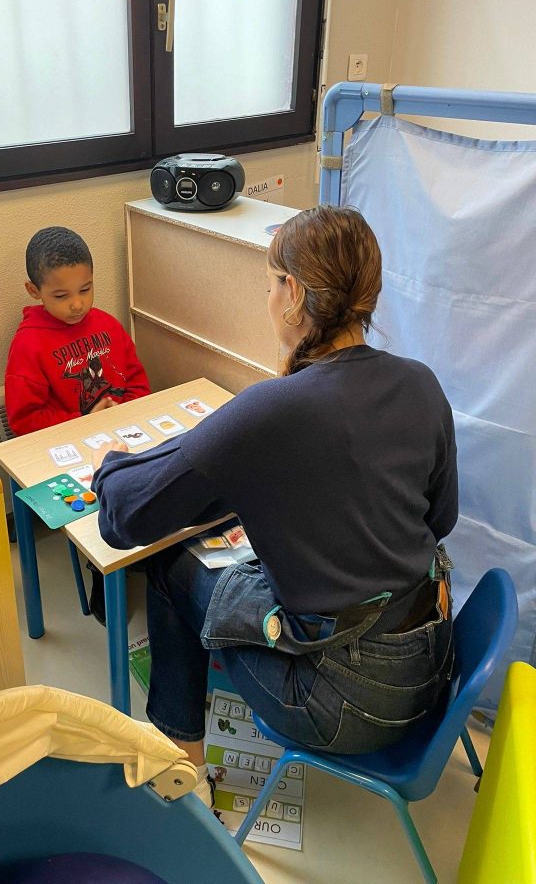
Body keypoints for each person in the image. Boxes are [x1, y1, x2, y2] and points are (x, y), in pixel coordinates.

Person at [92, 206, 457, 809]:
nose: (267, 300)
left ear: (292, 292)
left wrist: (110, 461)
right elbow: (438, 520)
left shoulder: (271, 410)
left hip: (343, 703)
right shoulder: (420, 382)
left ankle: (178, 777)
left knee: (170, 567)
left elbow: (126, 517)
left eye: (268, 286)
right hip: (431, 667)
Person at [5, 225, 151, 621]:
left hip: (123, 437)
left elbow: (138, 382)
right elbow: (24, 420)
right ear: (34, 291)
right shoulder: (29, 344)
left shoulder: (107, 324)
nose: (77, 304)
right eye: (61, 295)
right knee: (99, 504)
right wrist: (83, 420)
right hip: (68, 452)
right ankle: (104, 573)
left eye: (86, 289)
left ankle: (149, 556)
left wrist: (123, 413)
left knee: (157, 481)